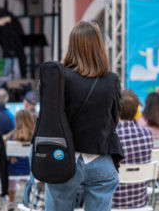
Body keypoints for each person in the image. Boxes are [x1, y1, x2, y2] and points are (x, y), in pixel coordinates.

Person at [45, 21, 123, 211]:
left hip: (63, 159)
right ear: (99, 46)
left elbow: (48, 120)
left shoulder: (60, 77)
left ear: (72, 45)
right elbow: (114, 119)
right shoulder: (111, 79)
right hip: (100, 159)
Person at [112, 89, 153, 209]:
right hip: (140, 202)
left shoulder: (110, 136)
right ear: (136, 111)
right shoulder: (147, 134)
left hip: (114, 203)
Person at [5, 110, 35, 209]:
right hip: (31, 171)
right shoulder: (35, 136)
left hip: (13, 172)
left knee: (11, 170)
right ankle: (31, 199)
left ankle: (11, 201)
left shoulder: (10, 136)